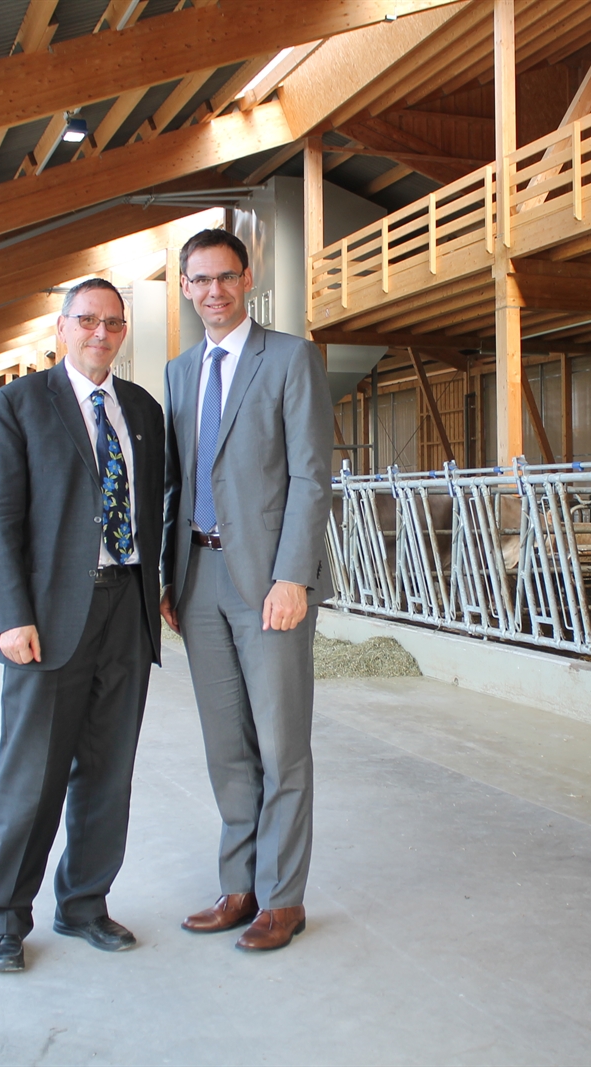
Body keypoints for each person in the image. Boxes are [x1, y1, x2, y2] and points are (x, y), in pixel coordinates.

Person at [0, 278, 164, 973]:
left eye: (112, 322)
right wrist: (10, 616)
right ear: (61, 327)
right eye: (86, 320)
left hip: (127, 609)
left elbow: (157, 505)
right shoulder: (20, 404)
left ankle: (84, 903)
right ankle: (2, 917)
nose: (100, 333)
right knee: (33, 776)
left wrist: (163, 591)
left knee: (109, 772)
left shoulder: (142, 410)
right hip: (48, 618)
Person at [160, 229, 333, 952]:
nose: (214, 291)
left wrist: (293, 575)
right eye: (200, 280)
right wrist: (166, 577)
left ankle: (283, 898)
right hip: (197, 576)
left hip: (268, 580)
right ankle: (240, 885)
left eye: (226, 277)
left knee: (281, 743)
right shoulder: (179, 371)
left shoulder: (290, 358)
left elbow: (311, 475)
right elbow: (175, 480)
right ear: (185, 287)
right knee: (226, 744)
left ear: (247, 278)